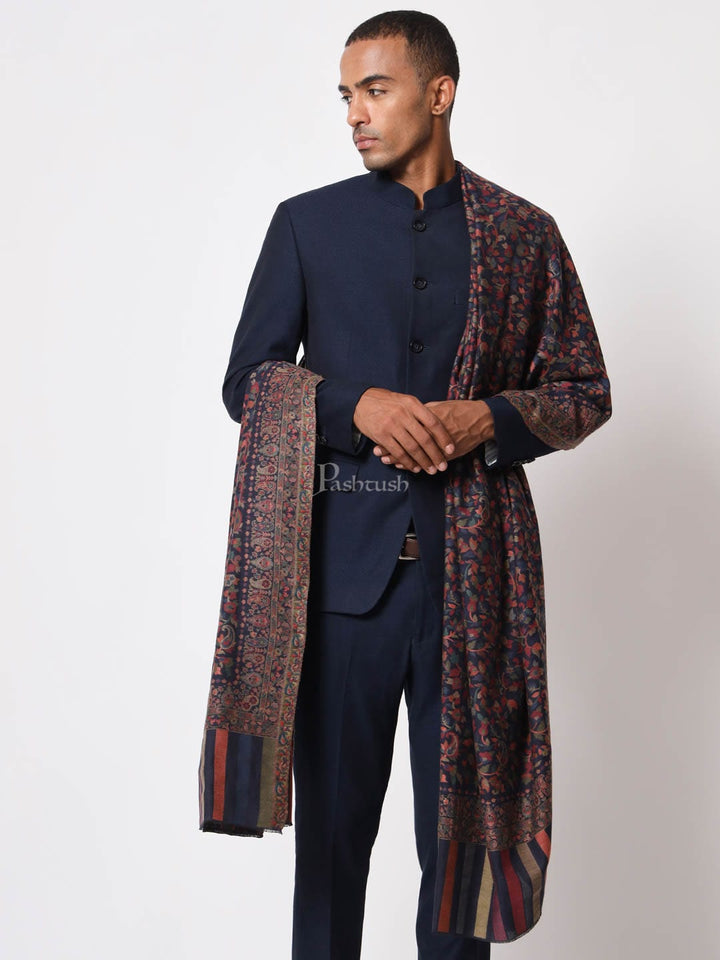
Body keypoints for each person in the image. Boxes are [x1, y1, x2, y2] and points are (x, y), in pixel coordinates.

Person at [219, 11, 608, 959]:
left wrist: (488, 419)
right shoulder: (308, 225)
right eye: (346, 96)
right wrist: (357, 406)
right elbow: (249, 382)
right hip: (340, 592)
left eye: (375, 90)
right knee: (331, 856)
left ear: (439, 94)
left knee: (461, 864)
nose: (354, 114)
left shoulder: (522, 234)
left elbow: (584, 390)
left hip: (474, 593)